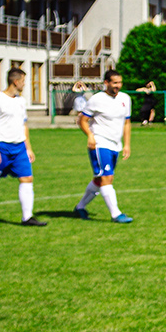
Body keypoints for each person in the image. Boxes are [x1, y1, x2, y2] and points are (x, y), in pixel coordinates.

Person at [0, 68, 44, 226]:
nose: (25, 84)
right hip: (2, 148)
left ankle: (27, 217)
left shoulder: (21, 101)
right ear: (16, 81)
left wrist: (29, 148)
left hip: (19, 148)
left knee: (27, 179)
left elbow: (23, 125)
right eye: (24, 81)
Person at [72, 70, 135, 223]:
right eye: (114, 83)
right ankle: (116, 214)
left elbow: (127, 123)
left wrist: (126, 144)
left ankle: (80, 207)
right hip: (100, 143)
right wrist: (90, 136)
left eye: (120, 82)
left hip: (115, 144)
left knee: (100, 179)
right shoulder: (96, 100)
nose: (118, 86)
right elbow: (82, 120)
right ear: (106, 83)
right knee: (107, 177)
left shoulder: (125, 99)